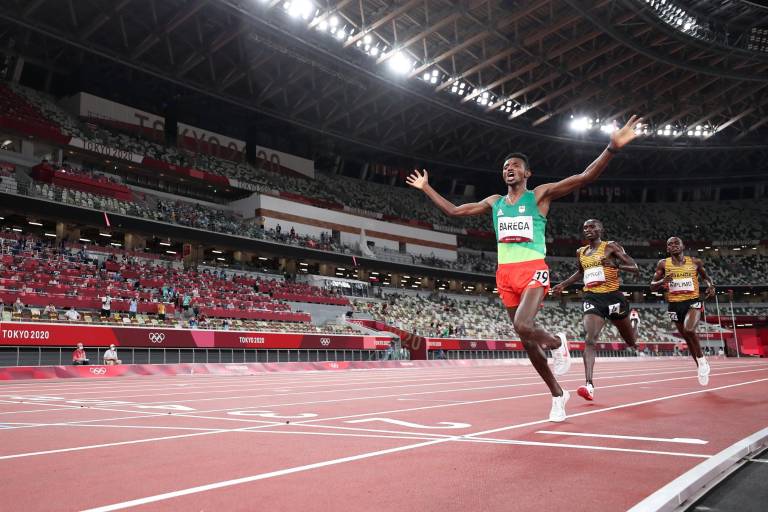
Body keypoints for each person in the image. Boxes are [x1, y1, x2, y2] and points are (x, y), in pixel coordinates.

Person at [407, 115, 643, 422]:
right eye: (505, 166)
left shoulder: (540, 196)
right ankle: (558, 395)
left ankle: (558, 343)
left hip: (533, 268)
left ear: (527, 173)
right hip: (505, 274)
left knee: (522, 325)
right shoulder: (495, 203)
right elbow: (454, 210)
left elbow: (584, 177)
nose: (509, 169)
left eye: (515, 165)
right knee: (527, 341)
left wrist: (611, 148)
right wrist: (426, 187)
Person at [552, 219, 639, 401]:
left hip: (614, 297)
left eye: (593, 227)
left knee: (631, 342)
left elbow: (635, 268)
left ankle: (634, 323)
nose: (589, 230)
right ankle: (589, 385)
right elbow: (581, 273)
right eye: (585, 227)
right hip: (592, 298)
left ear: (601, 229)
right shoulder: (581, 252)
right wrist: (563, 284)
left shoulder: (611, 247)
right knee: (590, 339)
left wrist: (616, 265)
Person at [650, 236, 715, 385]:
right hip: (674, 305)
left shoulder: (695, 262)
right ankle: (700, 366)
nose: (673, 246)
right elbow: (652, 286)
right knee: (687, 337)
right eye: (670, 244)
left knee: (689, 329)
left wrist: (711, 286)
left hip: (693, 302)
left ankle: (702, 360)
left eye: (676, 243)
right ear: (667, 249)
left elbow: (707, 277)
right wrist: (663, 281)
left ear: (682, 246)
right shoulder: (663, 264)